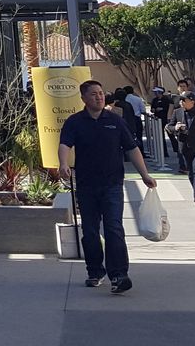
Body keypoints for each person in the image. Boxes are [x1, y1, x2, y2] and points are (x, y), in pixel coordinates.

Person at [59, 79, 158, 295]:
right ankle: (95, 271)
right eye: (93, 94)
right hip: (86, 185)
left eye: (101, 93)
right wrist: (64, 163)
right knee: (91, 231)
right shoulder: (75, 122)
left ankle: (119, 275)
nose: (99, 97)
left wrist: (145, 175)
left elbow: (132, 148)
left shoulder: (115, 120)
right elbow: (65, 144)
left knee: (114, 229)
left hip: (112, 184)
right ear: (83, 98)